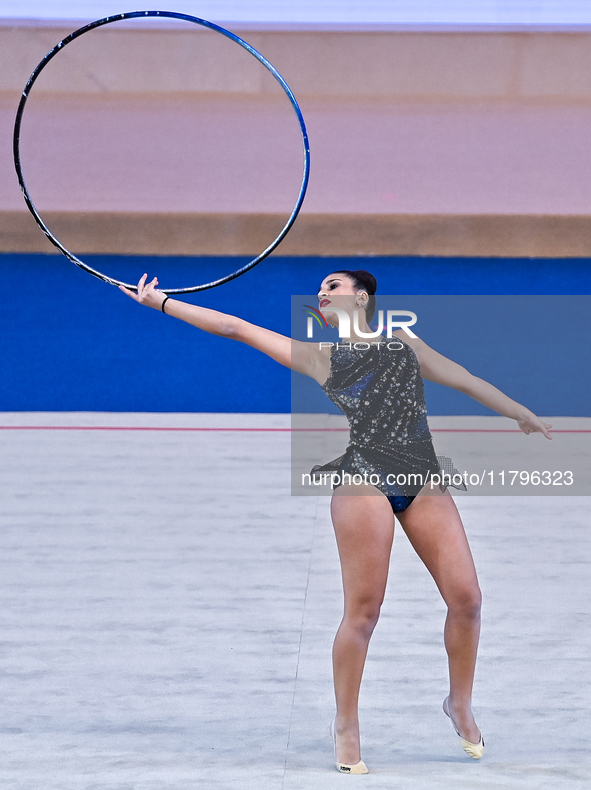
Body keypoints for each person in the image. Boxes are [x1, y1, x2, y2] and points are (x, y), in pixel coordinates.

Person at [120, 269, 551, 774]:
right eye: (319, 290)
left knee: (469, 600)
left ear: (361, 297)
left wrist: (520, 411)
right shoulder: (319, 357)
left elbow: (466, 379)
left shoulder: (403, 346)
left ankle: (458, 703)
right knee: (363, 614)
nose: (321, 294)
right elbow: (236, 327)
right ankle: (346, 723)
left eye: (334, 286)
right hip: (362, 483)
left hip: (422, 481)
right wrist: (163, 303)